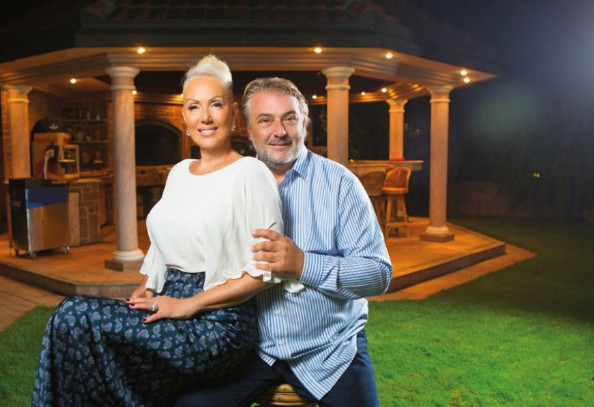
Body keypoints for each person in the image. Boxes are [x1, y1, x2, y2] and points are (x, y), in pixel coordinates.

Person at [31, 56, 301, 407]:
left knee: (74, 314)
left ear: (233, 113)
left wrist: (188, 305)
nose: (205, 117)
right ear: (184, 117)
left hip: (219, 323)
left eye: (216, 105)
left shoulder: (251, 173)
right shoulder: (179, 172)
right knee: (69, 325)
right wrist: (146, 289)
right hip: (167, 302)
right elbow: (161, 251)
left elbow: (265, 274)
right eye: (194, 107)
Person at [175, 77, 393, 407]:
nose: (280, 131)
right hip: (253, 348)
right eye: (265, 120)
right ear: (247, 128)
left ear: (304, 123)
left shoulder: (341, 185)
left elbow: (378, 274)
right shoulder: (228, 184)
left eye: (289, 118)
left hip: (330, 350)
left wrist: (303, 264)